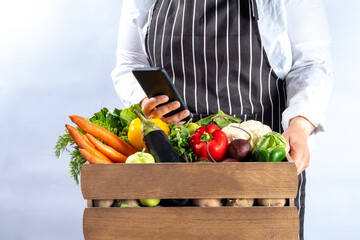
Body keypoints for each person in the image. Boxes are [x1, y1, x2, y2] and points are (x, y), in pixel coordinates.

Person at [111, 0, 333, 239]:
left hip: (256, 165)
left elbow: (311, 63)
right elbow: (130, 62)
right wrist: (145, 101)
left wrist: (300, 125)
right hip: (172, 159)